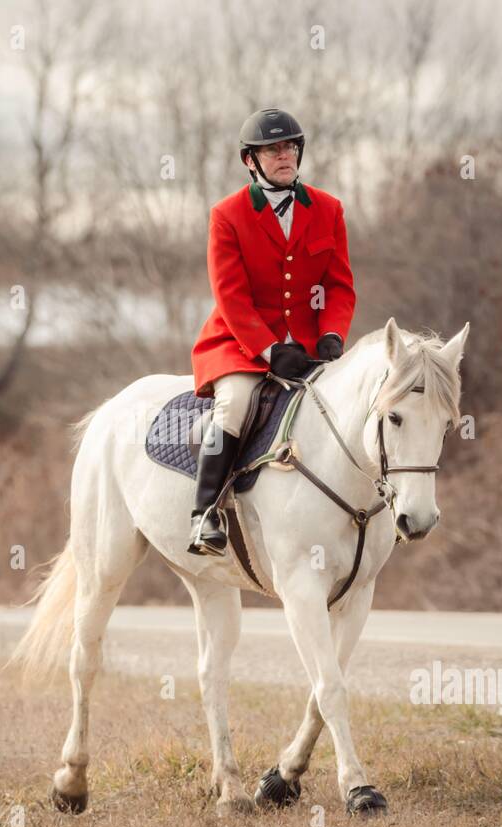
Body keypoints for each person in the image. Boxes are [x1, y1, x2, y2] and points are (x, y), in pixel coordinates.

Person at [187, 108, 357, 555]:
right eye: (272, 149)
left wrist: (332, 334)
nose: (284, 155)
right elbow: (231, 297)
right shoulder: (227, 215)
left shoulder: (328, 209)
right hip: (239, 343)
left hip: (307, 347)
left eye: (289, 147)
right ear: (251, 160)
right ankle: (205, 512)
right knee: (237, 403)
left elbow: (338, 286)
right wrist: (267, 349)